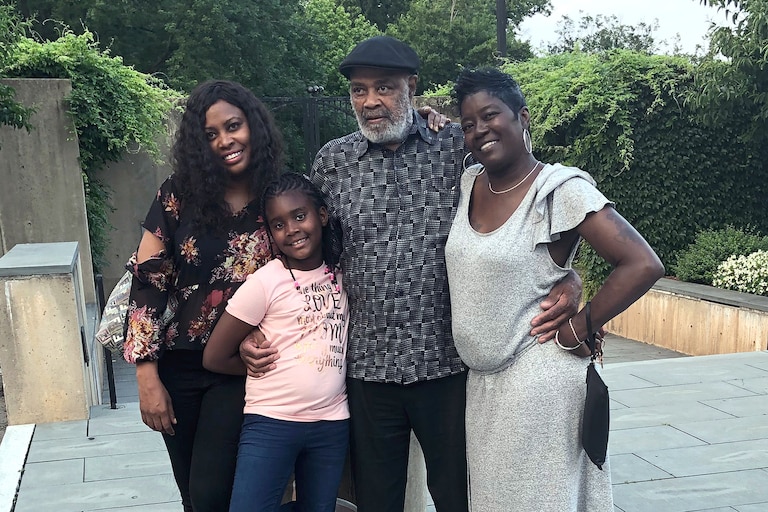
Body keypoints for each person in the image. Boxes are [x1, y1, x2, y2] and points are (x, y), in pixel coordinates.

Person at [242, 36, 582, 512]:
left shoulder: (456, 148)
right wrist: (257, 322)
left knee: (458, 494)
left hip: (445, 362)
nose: (370, 101)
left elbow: (522, 205)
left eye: (384, 87)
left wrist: (567, 273)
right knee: (378, 499)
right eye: (359, 91)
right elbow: (303, 256)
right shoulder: (333, 163)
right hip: (366, 367)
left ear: (412, 87)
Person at [446, 67, 665, 511]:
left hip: (538, 380)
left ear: (522, 118)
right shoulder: (470, 182)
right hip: (483, 386)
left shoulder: (558, 189)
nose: (479, 131)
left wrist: (581, 324)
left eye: (491, 116)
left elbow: (642, 263)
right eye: (468, 124)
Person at [122, 80, 281, 512]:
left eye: (233, 126)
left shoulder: (282, 195)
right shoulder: (178, 195)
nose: (225, 141)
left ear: (254, 125)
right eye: (210, 135)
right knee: (193, 495)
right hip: (178, 366)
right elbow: (148, 282)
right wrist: (146, 376)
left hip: (239, 366)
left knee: (213, 494)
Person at [203, 172, 350, 512]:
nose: (292, 230)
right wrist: (256, 364)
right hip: (271, 421)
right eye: (279, 224)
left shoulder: (344, 274)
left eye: (300, 216)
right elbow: (214, 356)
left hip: (330, 424)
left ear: (322, 216)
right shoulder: (267, 281)